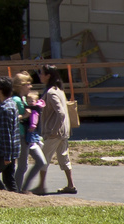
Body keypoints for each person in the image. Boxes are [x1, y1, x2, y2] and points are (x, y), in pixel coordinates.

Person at [39, 65, 77, 196]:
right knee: (63, 157)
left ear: (48, 76)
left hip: (54, 132)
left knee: (43, 159)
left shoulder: (51, 93)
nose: (40, 76)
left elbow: (60, 113)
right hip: (64, 132)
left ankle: (41, 186)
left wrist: (54, 130)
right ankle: (70, 185)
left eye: (42, 73)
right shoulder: (59, 91)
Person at [13, 72, 48, 195]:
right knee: (22, 166)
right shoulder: (15, 100)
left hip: (30, 136)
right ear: (21, 85)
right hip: (22, 135)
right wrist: (25, 116)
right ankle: (17, 191)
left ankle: (23, 188)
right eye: (28, 84)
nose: (30, 87)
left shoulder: (23, 99)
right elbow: (12, 117)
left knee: (41, 162)